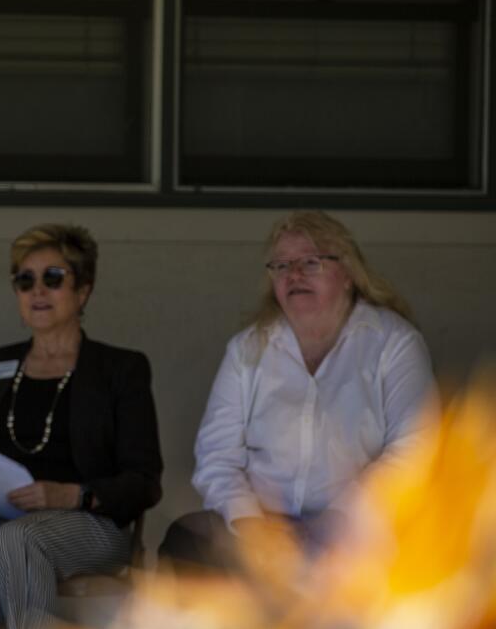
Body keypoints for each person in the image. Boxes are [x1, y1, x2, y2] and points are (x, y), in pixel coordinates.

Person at [0, 224, 163, 629]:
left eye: (54, 278)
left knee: (20, 540)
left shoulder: (119, 369)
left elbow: (144, 480)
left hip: (87, 521)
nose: (37, 291)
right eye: (25, 280)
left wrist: (71, 495)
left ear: (83, 291)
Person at [159, 211, 437, 569]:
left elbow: (415, 448)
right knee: (186, 540)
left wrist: (338, 523)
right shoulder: (248, 349)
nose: (293, 275)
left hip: (357, 532)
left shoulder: (393, 342)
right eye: (281, 266)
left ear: (349, 273)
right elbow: (217, 455)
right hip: (260, 530)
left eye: (310, 262)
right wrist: (250, 525)